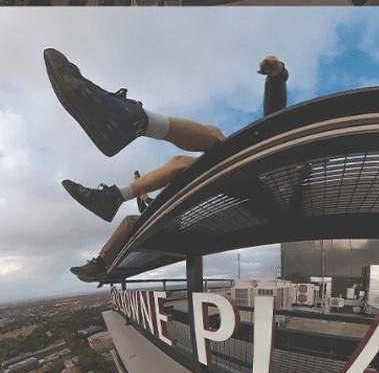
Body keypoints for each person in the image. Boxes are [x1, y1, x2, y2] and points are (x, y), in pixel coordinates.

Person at [42, 49, 288, 282]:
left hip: (270, 197)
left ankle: (136, 125)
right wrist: (144, 198)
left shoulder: (281, 165)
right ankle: (113, 203)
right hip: (251, 191)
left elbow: (275, 127)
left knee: (215, 137)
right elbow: (274, 129)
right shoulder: (263, 165)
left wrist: (277, 78)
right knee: (179, 164)